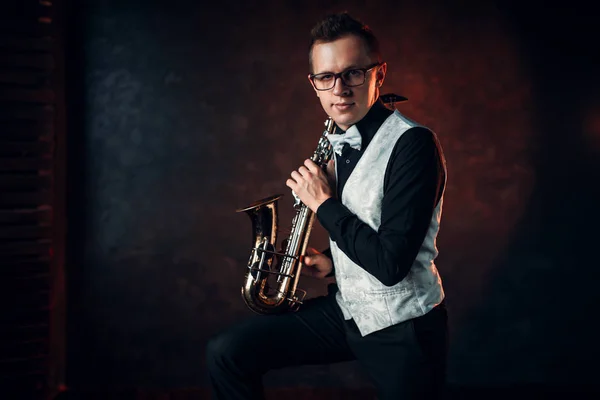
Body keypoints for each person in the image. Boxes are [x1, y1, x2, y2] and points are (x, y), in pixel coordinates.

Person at [206, 12, 448, 400]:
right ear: (314, 84)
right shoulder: (340, 139)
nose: (340, 90)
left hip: (404, 328)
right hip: (347, 312)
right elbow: (368, 232)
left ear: (378, 75)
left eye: (354, 73)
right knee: (227, 353)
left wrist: (322, 202)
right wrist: (334, 265)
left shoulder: (414, 146)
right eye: (326, 77)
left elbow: (391, 265)